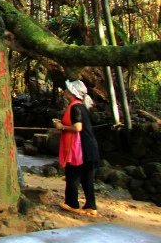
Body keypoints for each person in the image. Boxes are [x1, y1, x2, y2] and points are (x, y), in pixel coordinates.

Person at [53, 79, 101, 217]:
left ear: (72, 93)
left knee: (72, 175)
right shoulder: (81, 106)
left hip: (80, 150)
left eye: (68, 90)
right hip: (89, 149)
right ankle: (91, 206)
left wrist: (62, 127)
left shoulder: (75, 108)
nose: (65, 92)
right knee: (87, 179)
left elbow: (78, 127)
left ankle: (72, 203)